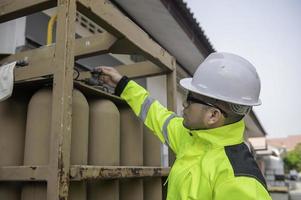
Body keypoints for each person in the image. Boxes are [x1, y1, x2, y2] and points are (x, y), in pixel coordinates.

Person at [97, 52, 272, 200]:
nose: (184, 104)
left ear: (212, 115)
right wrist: (122, 85)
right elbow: (157, 115)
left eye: (190, 99)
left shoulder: (240, 180)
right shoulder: (191, 138)